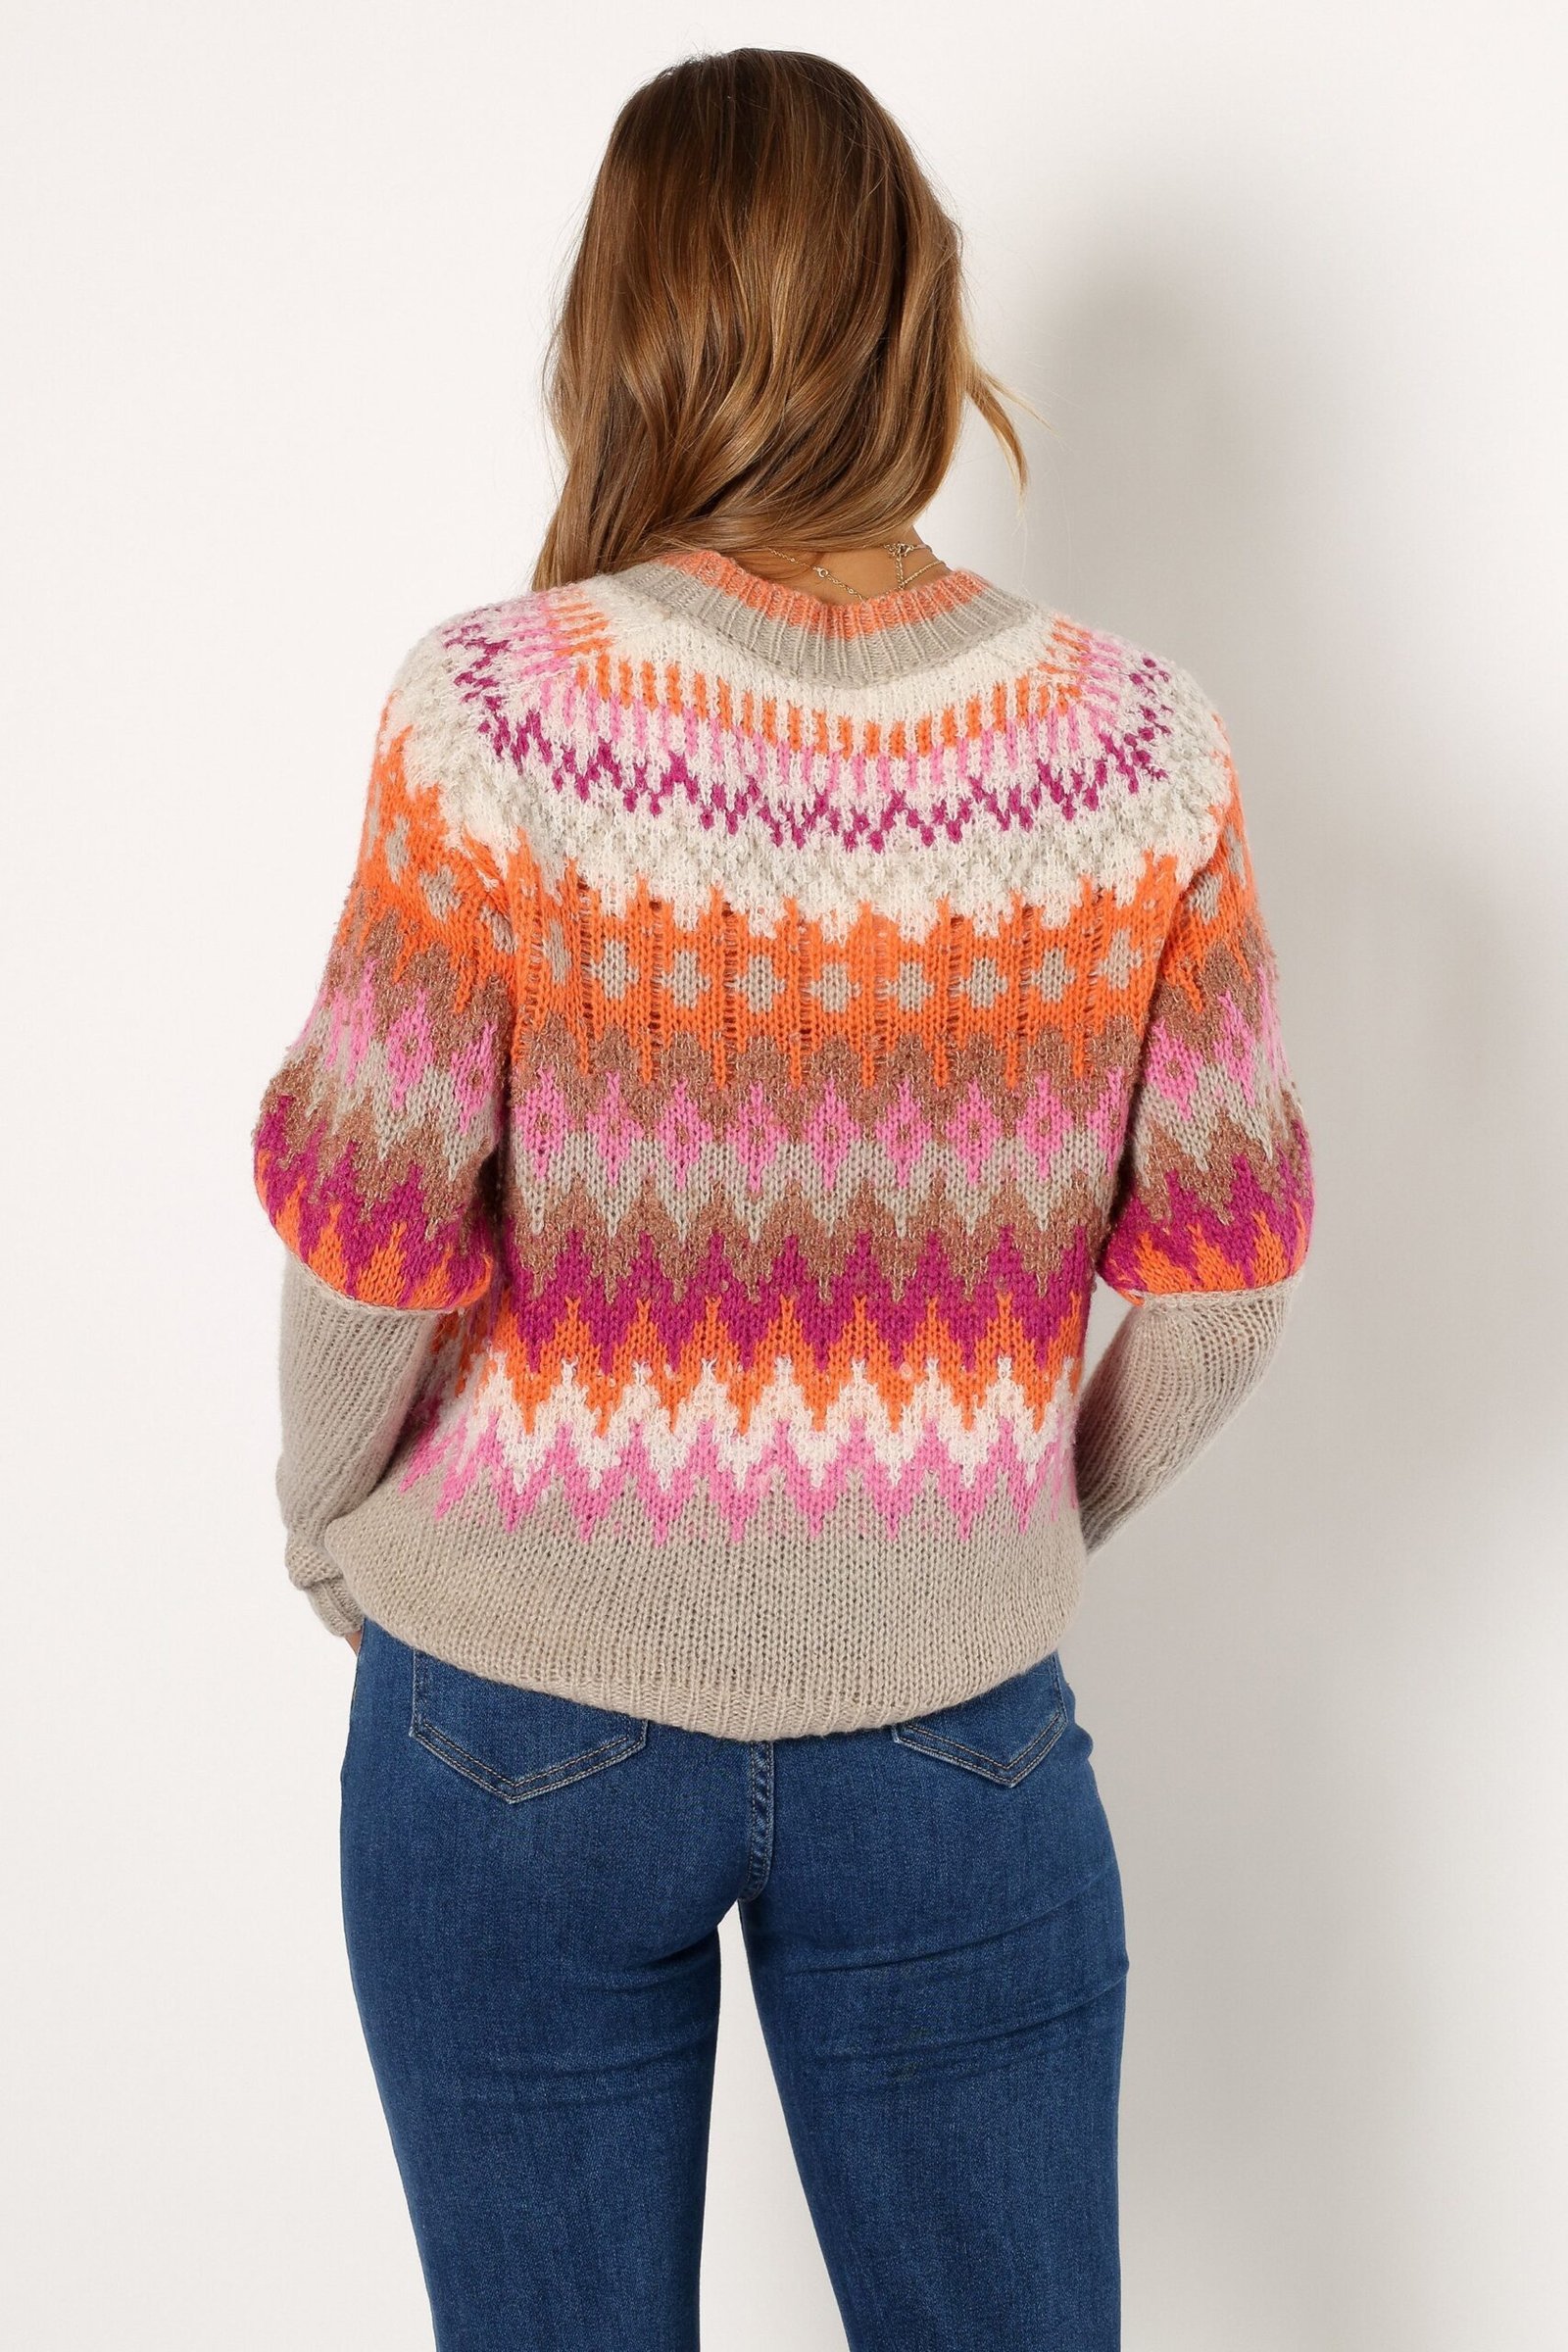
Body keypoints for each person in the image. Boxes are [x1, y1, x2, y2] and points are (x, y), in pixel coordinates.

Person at [250, 45, 1315, 2352]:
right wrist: (968, 1532)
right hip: (955, 1735)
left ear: (622, 324)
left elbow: (363, 1229)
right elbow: (1224, 1290)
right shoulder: (1138, 747)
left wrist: (322, 1515)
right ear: (916, 317)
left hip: (500, 1717)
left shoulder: (495, 715)